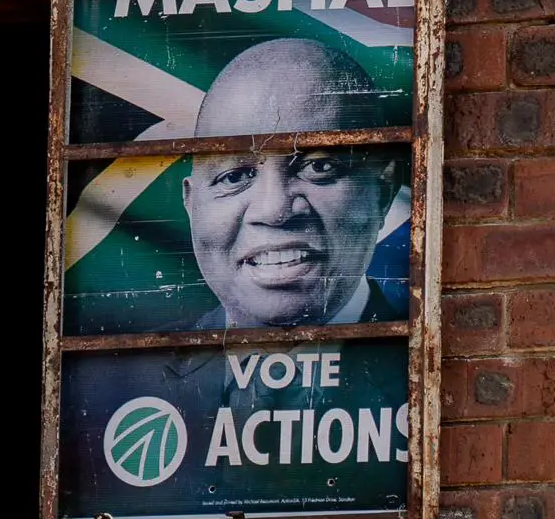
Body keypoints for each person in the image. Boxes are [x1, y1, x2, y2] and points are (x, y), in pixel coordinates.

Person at [172, 36, 408, 331]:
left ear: (384, 190)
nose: (274, 210)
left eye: (319, 167)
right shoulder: (120, 373)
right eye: (234, 177)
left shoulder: (414, 359)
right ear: (191, 205)